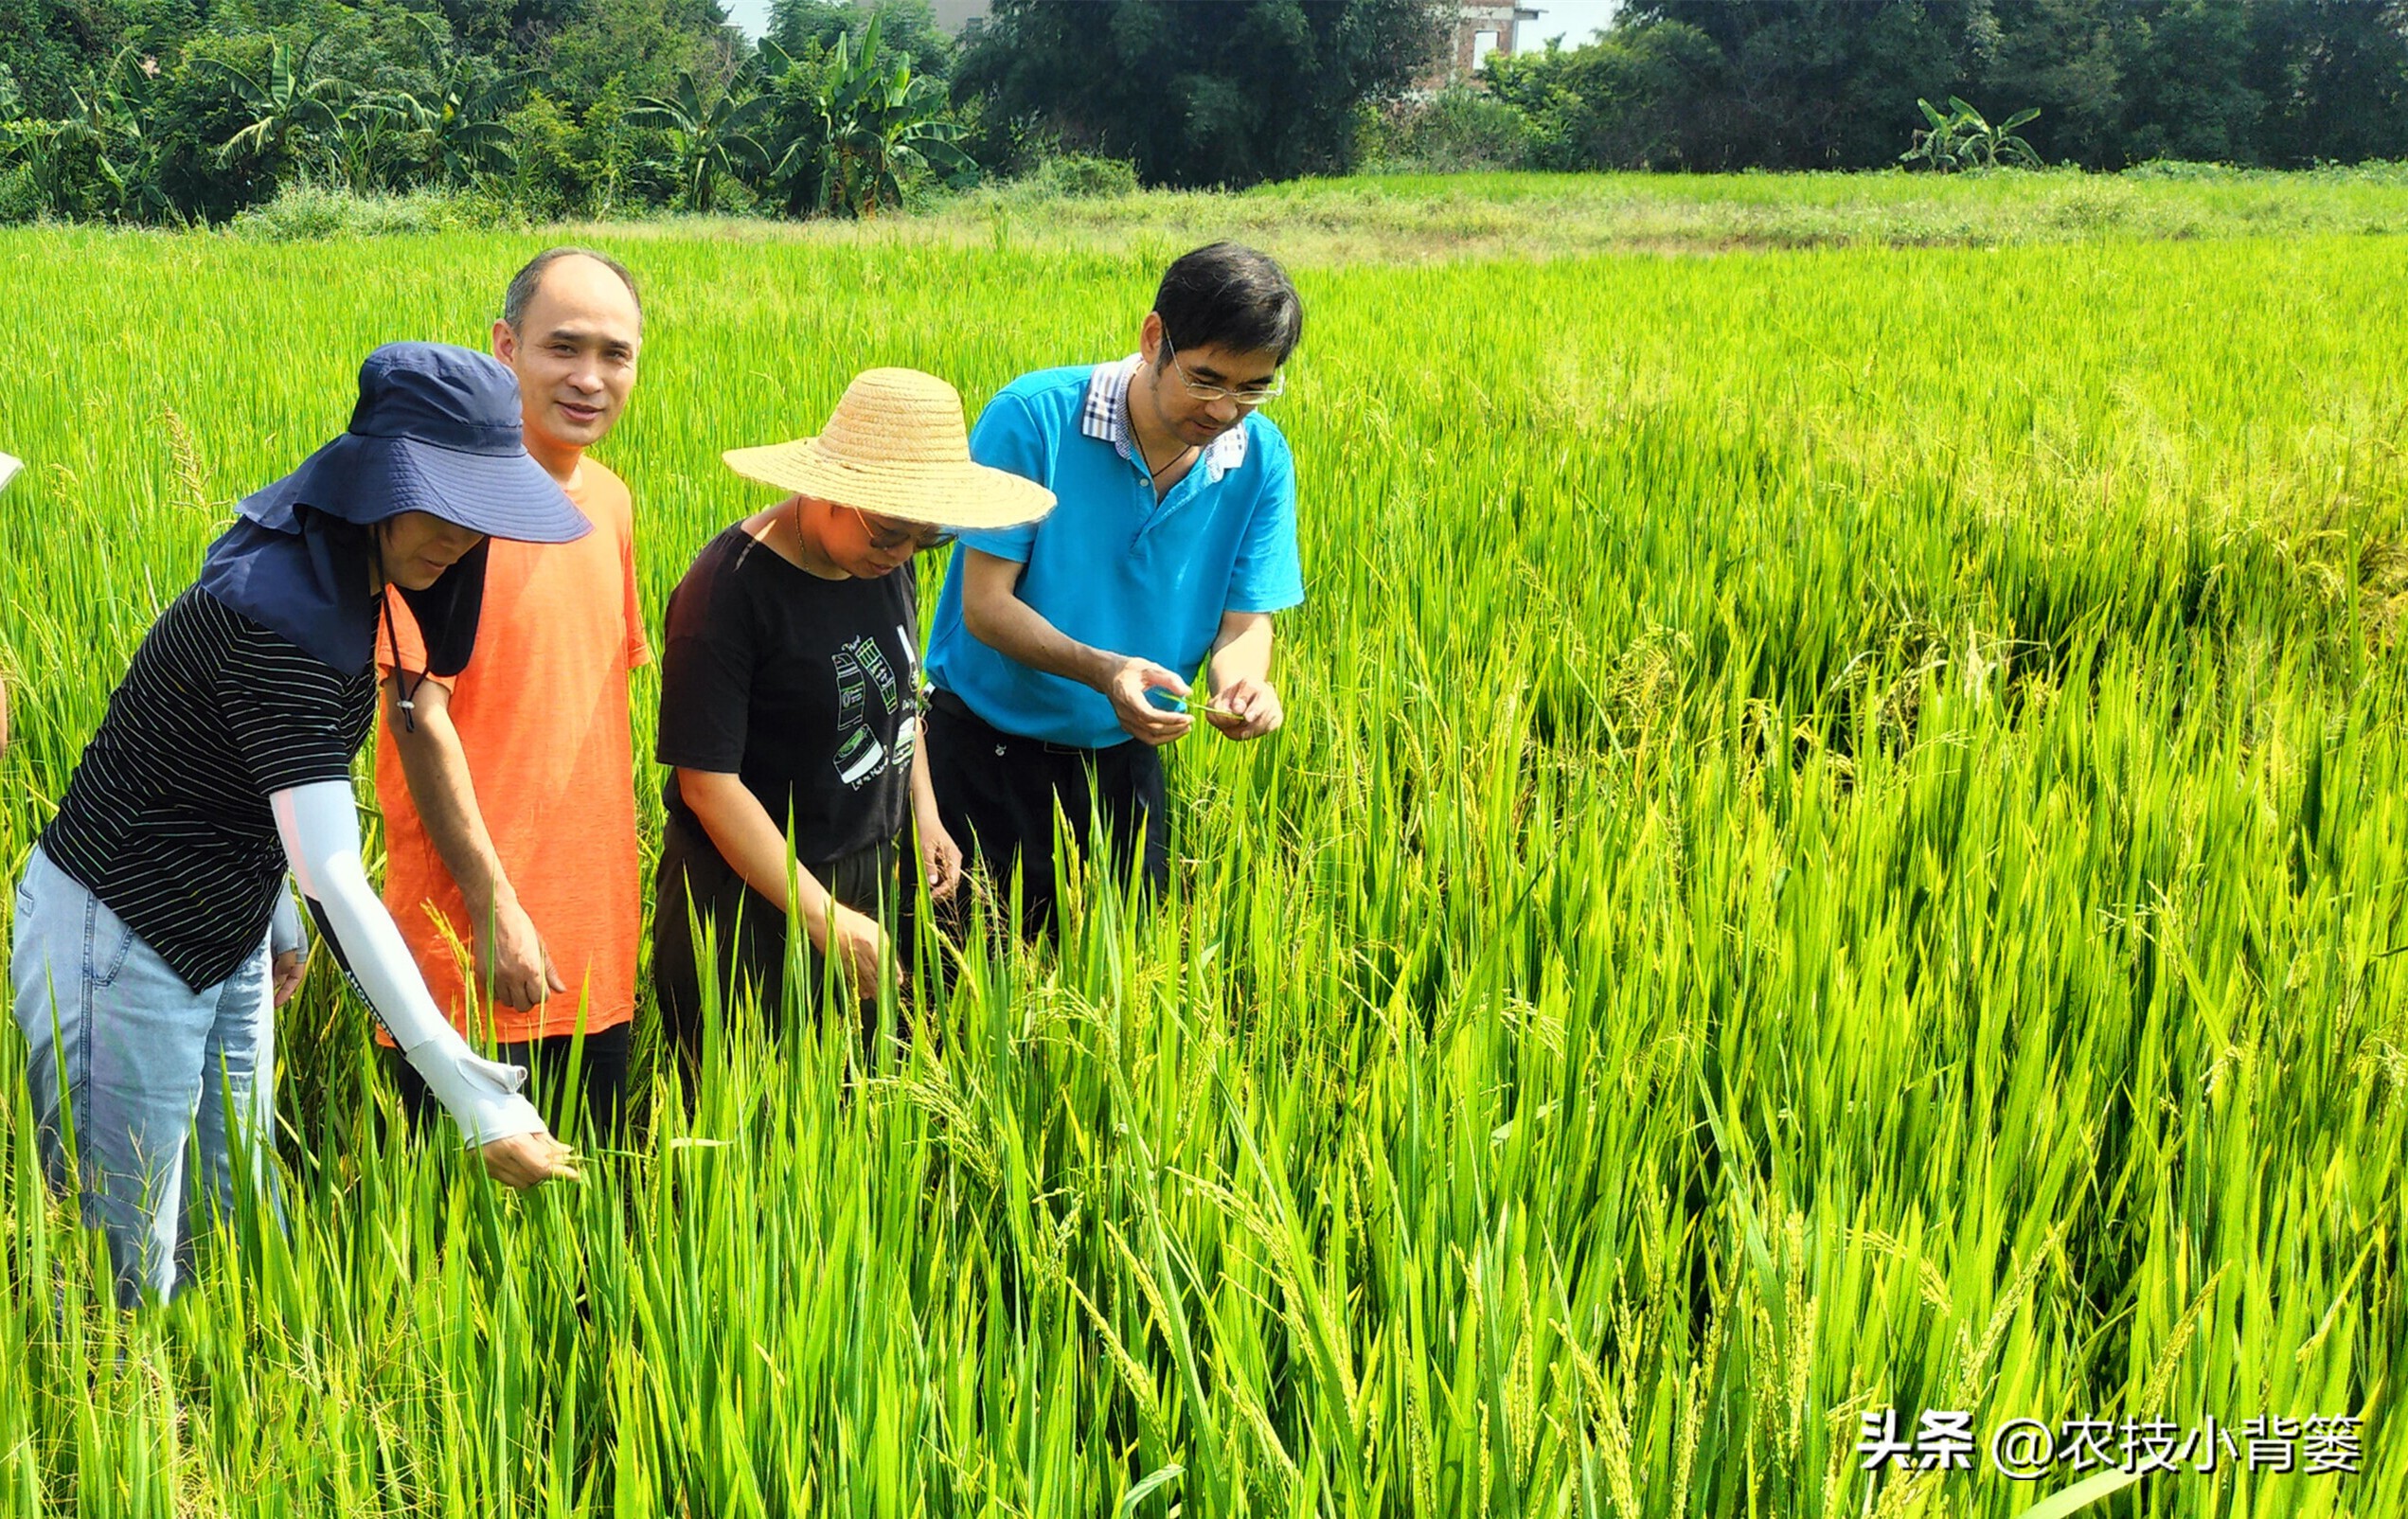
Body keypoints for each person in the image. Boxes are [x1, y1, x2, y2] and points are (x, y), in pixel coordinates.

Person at [8, 342, 586, 1309]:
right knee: (121, 1260)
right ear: (376, 480)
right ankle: (127, 1440)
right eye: (440, 501)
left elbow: (242, 770)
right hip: (120, 934)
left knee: (235, 1221)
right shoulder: (284, 614)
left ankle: (217, 1431)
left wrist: (268, 923)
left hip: (222, 925)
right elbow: (338, 882)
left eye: (480, 512)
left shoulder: (317, 555)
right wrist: (475, 1097)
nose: (459, 536)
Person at [651, 367, 1053, 1063]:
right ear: (827, 489)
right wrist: (823, 918)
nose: (901, 555)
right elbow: (706, 785)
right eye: (890, 533)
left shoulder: (881, 560)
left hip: (863, 874)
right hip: (752, 895)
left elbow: (900, 697)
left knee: (848, 1102)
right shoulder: (726, 592)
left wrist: (923, 815)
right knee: (751, 1116)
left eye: (926, 540)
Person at [922, 241, 1305, 938]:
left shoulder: (1262, 458)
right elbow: (985, 606)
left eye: (1253, 388)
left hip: (1125, 763)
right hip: (983, 751)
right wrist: (1104, 671)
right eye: (1206, 379)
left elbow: (1243, 621)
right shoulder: (1033, 418)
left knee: (1112, 987)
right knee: (953, 991)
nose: (1224, 411)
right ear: (1154, 337)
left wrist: (1245, 685)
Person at [374, 249, 650, 1137]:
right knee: (448, 1243)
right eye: (562, 348)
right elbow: (417, 714)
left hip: (593, 938)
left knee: (581, 1234)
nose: (589, 378)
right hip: (471, 944)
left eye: (616, 354)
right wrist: (494, 910)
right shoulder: (445, 512)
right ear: (504, 348)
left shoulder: (609, 502)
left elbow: (591, 708)